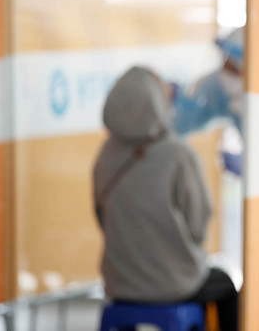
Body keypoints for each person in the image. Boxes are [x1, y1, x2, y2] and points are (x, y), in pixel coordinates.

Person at [93, 66, 238, 331]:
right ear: (158, 102)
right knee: (225, 285)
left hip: (118, 282)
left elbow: (101, 216)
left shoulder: (105, 155)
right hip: (173, 283)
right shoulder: (178, 154)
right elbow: (199, 221)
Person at [172, 27, 244, 176]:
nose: (224, 72)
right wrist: (180, 102)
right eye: (225, 63)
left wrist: (249, 166)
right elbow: (184, 123)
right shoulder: (216, 86)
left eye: (232, 68)